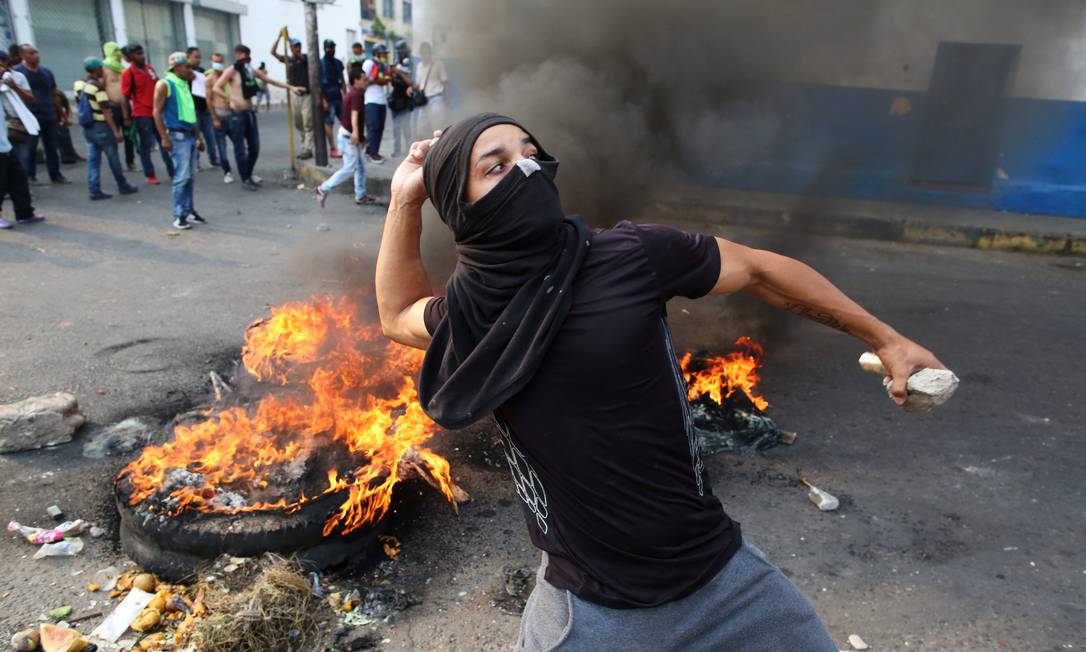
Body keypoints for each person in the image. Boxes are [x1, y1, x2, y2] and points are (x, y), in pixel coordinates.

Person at [375, 114, 948, 651]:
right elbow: (397, 313)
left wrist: (885, 338)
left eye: (532, 155)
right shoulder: (472, 317)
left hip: (725, 582)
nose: (527, 170)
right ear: (460, 204)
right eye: (496, 167)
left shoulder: (627, 254)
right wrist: (405, 197)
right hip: (591, 611)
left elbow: (760, 268)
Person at [212, 44, 303, 191]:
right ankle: (245, 178)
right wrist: (231, 99)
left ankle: (249, 173)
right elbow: (216, 87)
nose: (247, 59)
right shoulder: (232, 71)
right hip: (237, 114)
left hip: (249, 112)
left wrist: (291, 87)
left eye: (248, 55)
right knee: (240, 148)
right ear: (238, 55)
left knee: (254, 147)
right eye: (244, 56)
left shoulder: (249, 71)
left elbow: (270, 81)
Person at [153, 52, 206, 230]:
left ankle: (189, 210)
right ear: (176, 67)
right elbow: (156, 112)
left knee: (189, 177)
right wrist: (164, 138)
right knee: (181, 177)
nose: (190, 70)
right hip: (177, 136)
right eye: (187, 66)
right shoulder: (165, 84)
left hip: (190, 134)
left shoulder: (184, 85)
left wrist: (198, 138)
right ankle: (179, 215)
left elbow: (192, 114)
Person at [74, 57, 138, 200]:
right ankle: (122, 185)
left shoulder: (79, 84)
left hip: (88, 127)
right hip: (102, 126)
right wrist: (115, 131)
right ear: (97, 70)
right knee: (113, 157)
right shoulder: (97, 88)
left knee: (93, 159)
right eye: (101, 68)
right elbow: (106, 111)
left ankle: (94, 188)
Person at [314, 70, 375, 208]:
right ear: (356, 81)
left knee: (360, 167)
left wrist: (360, 137)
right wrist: (355, 133)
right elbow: (354, 115)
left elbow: (356, 117)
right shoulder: (356, 95)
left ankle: (360, 195)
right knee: (350, 168)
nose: (366, 82)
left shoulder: (355, 93)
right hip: (348, 137)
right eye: (364, 79)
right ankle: (323, 189)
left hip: (349, 135)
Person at [14, 44, 68, 185]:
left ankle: (55, 174)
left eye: (36, 52)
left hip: (49, 114)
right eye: (31, 53)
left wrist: (61, 113)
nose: (35, 56)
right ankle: (30, 176)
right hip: (30, 116)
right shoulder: (18, 73)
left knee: (52, 146)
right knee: (30, 148)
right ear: (23, 55)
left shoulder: (46, 72)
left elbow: (54, 93)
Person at [121, 43, 173, 184]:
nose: (142, 56)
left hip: (157, 112)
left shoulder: (150, 69)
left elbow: (158, 85)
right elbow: (125, 97)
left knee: (164, 141)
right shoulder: (128, 74)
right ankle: (150, 175)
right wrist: (126, 117)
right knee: (146, 145)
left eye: (142, 53)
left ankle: (172, 172)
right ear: (131, 57)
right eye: (138, 54)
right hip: (142, 114)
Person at [0, 56, 43, 229]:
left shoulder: (7, 84)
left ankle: (25, 212)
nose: (3, 69)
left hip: (5, 143)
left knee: (18, 178)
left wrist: (12, 85)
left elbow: (27, 99)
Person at [270, 35, 312, 159]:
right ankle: (304, 145)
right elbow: (273, 53)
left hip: (306, 95)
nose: (297, 48)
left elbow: (300, 57)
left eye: (298, 46)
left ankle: (308, 148)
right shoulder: (289, 60)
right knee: (298, 122)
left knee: (308, 122)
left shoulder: (305, 58)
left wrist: (289, 41)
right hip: (294, 94)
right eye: (295, 46)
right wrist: (278, 38)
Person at [185, 47, 220, 171]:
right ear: (188, 56)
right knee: (195, 137)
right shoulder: (184, 72)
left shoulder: (202, 72)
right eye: (196, 57)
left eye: (199, 57)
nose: (198, 60)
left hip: (204, 107)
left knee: (210, 136)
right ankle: (196, 162)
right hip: (192, 109)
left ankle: (213, 159)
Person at [0, 50, 38, 162]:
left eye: (2, 64)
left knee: (22, 158)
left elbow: (31, 98)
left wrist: (15, 87)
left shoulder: (18, 77)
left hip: (16, 123)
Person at [102, 41, 135, 171]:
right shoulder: (104, 68)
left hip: (126, 106)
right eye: (114, 51)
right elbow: (102, 87)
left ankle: (130, 161)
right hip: (112, 106)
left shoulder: (124, 70)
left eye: (118, 51)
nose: (118, 54)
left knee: (129, 136)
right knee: (113, 137)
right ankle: (115, 164)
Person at [205, 52, 234, 184]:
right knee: (222, 148)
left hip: (231, 114)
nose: (218, 64)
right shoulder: (209, 79)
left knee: (240, 146)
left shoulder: (227, 77)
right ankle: (227, 171)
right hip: (219, 116)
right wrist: (215, 119)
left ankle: (246, 171)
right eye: (215, 61)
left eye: (220, 61)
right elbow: (209, 100)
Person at [361, 44, 390, 164]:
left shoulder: (382, 65)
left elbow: (385, 79)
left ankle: (371, 150)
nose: (385, 56)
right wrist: (377, 80)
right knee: (374, 127)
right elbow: (363, 80)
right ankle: (373, 154)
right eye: (383, 53)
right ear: (377, 53)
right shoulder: (369, 63)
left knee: (380, 128)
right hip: (371, 100)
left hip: (381, 100)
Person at [413, 42, 447, 140]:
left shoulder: (438, 64)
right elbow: (419, 85)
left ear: (430, 53)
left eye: (427, 52)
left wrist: (445, 100)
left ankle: (439, 149)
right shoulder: (419, 66)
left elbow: (445, 82)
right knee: (421, 129)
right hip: (424, 100)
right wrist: (412, 88)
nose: (424, 55)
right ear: (420, 54)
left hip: (436, 98)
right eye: (423, 53)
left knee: (437, 127)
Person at [319, 39, 345, 158]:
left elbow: (343, 81)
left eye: (333, 47)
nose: (331, 50)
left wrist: (345, 95)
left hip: (338, 96)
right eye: (329, 48)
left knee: (345, 122)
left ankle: (344, 146)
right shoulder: (320, 64)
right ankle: (333, 148)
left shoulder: (338, 63)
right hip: (327, 97)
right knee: (329, 123)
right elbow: (318, 85)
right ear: (325, 48)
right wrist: (323, 100)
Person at [387, 57, 413, 157]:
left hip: (405, 104)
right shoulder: (395, 73)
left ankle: (409, 151)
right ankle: (397, 150)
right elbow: (388, 79)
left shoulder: (407, 70)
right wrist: (391, 71)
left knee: (406, 129)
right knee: (396, 129)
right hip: (395, 104)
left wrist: (400, 72)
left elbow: (410, 82)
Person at [55, 88, 84, 164]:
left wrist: (66, 118)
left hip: (56, 118)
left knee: (63, 132)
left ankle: (68, 156)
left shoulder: (59, 94)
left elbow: (67, 107)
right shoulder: (58, 93)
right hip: (50, 117)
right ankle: (68, 156)